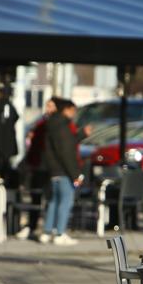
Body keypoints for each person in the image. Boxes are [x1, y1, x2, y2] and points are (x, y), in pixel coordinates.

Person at [14, 97, 58, 240]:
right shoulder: (42, 122)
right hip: (39, 166)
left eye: (51, 106)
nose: (48, 109)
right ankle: (33, 226)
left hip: (50, 167)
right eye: (47, 106)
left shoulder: (56, 124)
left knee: (51, 198)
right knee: (36, 198)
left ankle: (50, 227)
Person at [40, 98, 82, 246]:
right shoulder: (63, 127)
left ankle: (47, 231)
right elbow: (66, 152)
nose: (74, 114)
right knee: (65, 201)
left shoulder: (51, 124)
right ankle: (59, 233)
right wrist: (75, 175)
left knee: (54, 201)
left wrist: (81, 135)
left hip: (53, 170)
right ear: (66, 109)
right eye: (73, 110)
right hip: (64, 170)